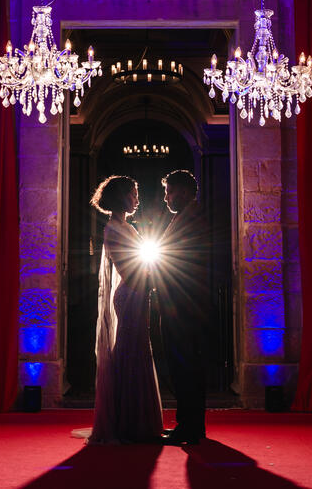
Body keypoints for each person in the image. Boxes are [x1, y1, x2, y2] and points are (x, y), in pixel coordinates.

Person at [86, 175, 163, 444]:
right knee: (131, 352)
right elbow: (127, 268)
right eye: (132, 194)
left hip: (137, 291)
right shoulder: (115, 228)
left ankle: (134, 419)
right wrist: (149, 279)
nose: (137, 199)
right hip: (131, 293)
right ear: (121, 197)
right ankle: (129, 420)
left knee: (136, 351)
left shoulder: (124, 226)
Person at [156, 170, 211, 444]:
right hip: (181, 302)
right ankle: (190, 426)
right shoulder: (184, 217)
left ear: (185, 192)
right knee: (184, 366)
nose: (166, 198)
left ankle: (189, 427)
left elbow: (181, 260)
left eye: (169, 192)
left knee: (185, 366)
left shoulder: (191, 219)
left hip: (183, 304)